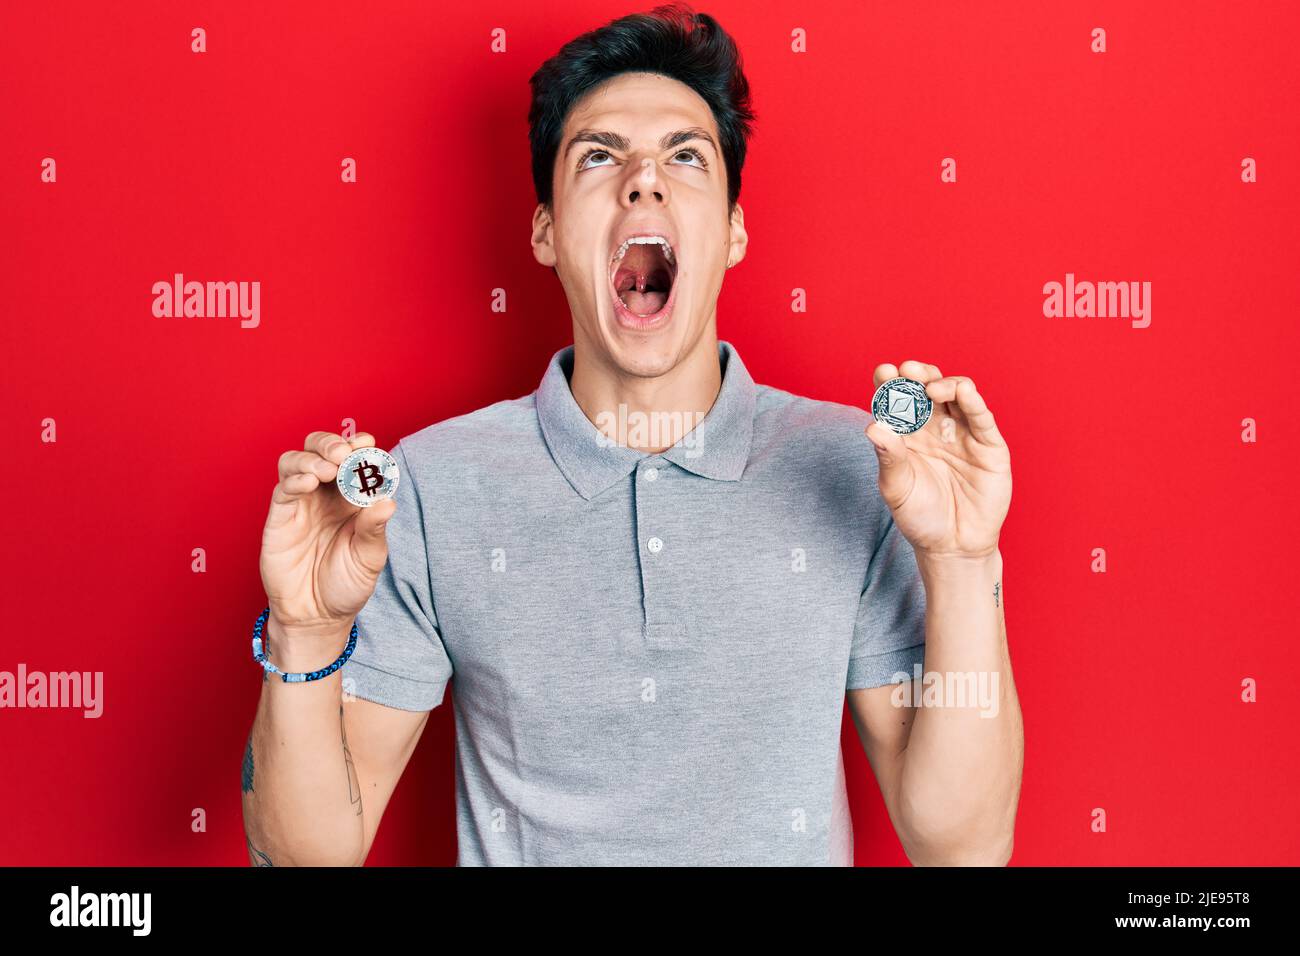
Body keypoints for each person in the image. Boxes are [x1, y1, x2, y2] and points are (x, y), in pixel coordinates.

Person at [241, 2, 1021, 866]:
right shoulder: (427, 489)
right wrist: (303, 635)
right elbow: (303, 859)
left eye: (686, 156)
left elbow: (964, 848)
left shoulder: (858, 467)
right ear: (546, 232)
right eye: (599, 156)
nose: (644, 179)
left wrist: (960, 563)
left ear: (731, 233)